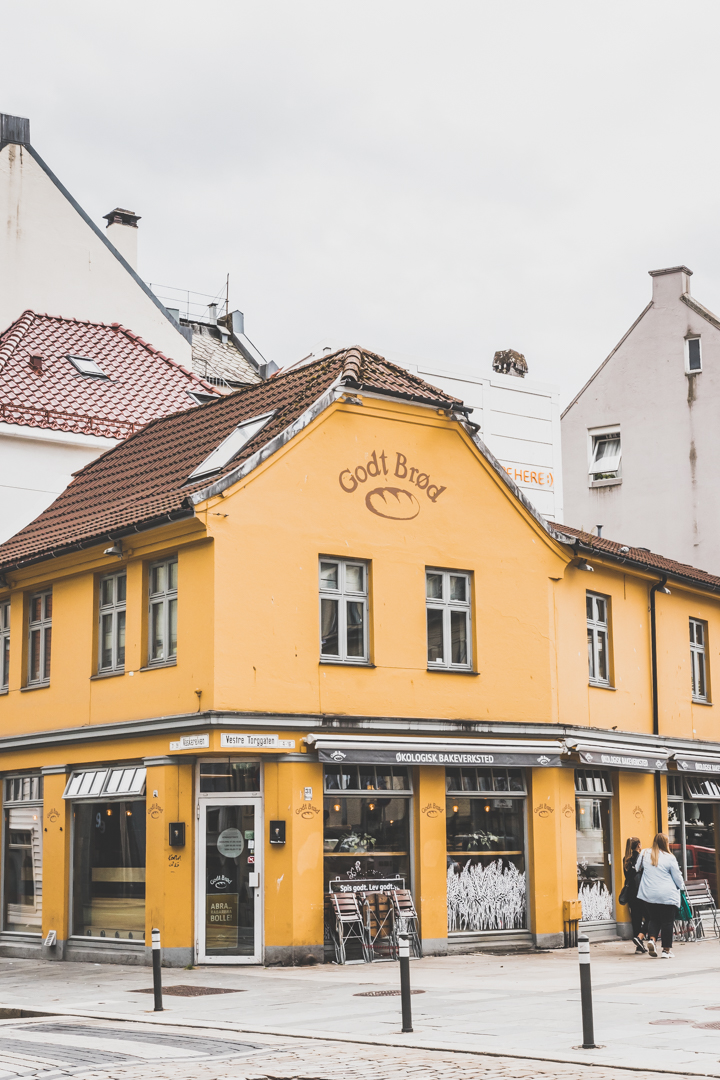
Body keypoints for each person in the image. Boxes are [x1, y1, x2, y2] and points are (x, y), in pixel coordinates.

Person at [636, 832, 684, 958]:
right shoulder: (670, 857)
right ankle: (666, 950)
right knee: (667, 922)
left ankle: (652, 940)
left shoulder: (645, 853)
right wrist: (682, 887)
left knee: (653, 919)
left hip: (649, 894)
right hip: (667, 895)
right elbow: (677, 877)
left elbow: (637, 868)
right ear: (666, 843)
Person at [622, 837, 647, 953]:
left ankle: (639, 945)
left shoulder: (626, 860)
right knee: (649, 917)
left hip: (631, 893)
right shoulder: (641, 858)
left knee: (635, 919)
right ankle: (641, 937)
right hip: (641, 892)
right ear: (638, 845)